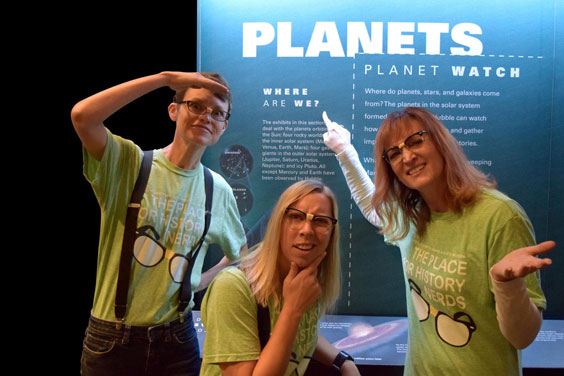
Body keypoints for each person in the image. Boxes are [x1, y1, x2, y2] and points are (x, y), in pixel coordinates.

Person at [321, 108, 555, 375]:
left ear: (440, 141)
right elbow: (372, 207)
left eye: (415, 140)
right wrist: (344, 150)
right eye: (394, 153)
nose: (407, 157)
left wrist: (507, 285)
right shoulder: (412, 215)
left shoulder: (501, 217)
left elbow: (522, 337)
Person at [71, 71, 248, 376]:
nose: (206, 117)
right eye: (196, 106)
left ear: (223, 126)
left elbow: (240, 255)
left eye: (217, 113)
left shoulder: (216, 190)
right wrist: (165, 79)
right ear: (173, 110)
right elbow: (82, 116)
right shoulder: (130, 164)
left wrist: (193, 282)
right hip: (113, 341)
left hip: (177, 341)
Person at [199, 180, 361, 376]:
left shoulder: (304, 279)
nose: (307, 230)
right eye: (295, 216)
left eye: (320, 221)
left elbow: (301, 334)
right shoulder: (233, 287)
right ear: (278, 223)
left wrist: (343, 361)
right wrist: (292, 309)